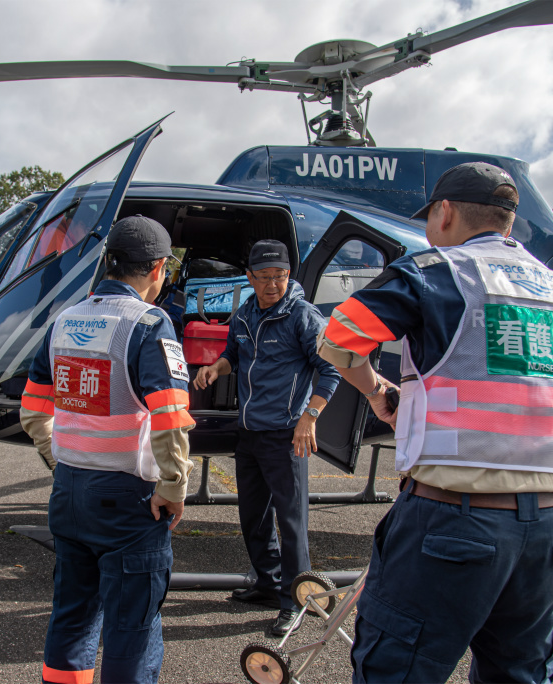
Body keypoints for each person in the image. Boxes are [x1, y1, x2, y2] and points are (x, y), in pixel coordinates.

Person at [317, 162, 553, 684]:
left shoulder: (436, 272)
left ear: (445, 212)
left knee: (396, 668)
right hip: (547, 528)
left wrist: (376, 391)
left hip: (454, 520)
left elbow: (341, 338)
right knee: (521, 673)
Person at [19, 215, 195, 684]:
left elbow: (35, 412)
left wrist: (64, 463)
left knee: (72, 615)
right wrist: (174, 484)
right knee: (131, 626)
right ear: (158, 267)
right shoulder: (149, 323)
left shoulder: (64, 321)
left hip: (70, 492)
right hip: (127, 500)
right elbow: (171, 415)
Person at [193, 239, 341, 637]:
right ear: (250, 277)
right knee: (253, 516)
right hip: (250, 432)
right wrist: (214, 369)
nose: (273, 284)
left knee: (291, 523)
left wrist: (309, 418)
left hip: (287, 435)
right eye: (264, 277)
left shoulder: (303, 317)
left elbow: (331, 371)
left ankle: (294, 600)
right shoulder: (244, 314)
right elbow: (233, 356)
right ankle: (267, 583)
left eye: (280, 276)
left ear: (288, 276)